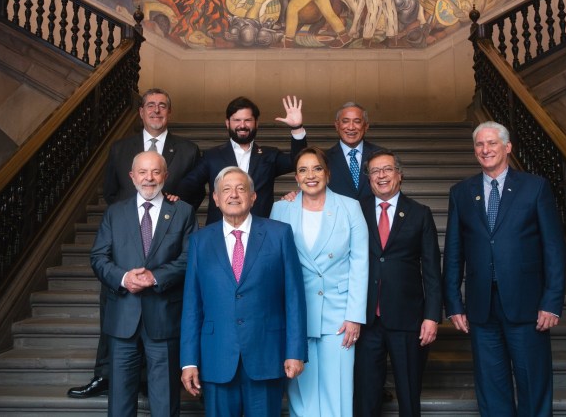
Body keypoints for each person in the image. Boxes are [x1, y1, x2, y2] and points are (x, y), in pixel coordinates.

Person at [68, 88, 202, 399]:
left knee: (161, 386)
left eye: (163, 106)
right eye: (150, 105)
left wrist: (165, 206)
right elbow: (111, 192)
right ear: (140, 111)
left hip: (164, 268)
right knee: (118, 359)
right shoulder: (120, 151)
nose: (156, 111)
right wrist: (129, 221)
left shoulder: (187, 150)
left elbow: (194, 195)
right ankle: (104, 375)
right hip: (125, 260)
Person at [443, 121, 566, 416]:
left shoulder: (535, 187)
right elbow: (454, 251)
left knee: (532, 384)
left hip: (527, 305)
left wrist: (552, 302)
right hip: (480, 307)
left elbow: (553, 249)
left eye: (492, 143)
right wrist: (453, 304)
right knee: (490, 386)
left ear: (507, 147)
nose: (485, 150)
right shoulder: (461, 192)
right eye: (480, 145)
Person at [180, 167, 307, 417]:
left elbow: (294, 297)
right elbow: (192, 306)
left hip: (266, 354)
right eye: (226, 189)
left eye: (241, 189)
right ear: (215, 199)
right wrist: (189, 361)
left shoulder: (279, 234)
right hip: (217, 357)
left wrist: (295, 352)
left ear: (253, 197)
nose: (234, 195)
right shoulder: (200, 241)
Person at [90, 151, 198, 416]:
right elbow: (98, 257)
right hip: (123, 319)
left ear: (165, 175)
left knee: (164, 401)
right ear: (132, 176)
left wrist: (155, 276)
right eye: (143, 172)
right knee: (120, 402)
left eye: (155, 172)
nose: (149, 178)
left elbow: (191, 258)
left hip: (163, 318)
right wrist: (124, 278)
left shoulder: (183, 211)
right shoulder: (115, 213)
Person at [270, 146, 368, 416]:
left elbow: (360, 262)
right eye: (302, 170)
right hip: (297, 315)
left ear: (328, 173)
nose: (310, 175)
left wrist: (354, 316)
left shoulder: (349, 207)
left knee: (337, 390)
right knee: (302, 393)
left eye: (316, 169)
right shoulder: (281, 209)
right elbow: (274, 265)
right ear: (296, 178)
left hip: (339, 316)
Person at [354, 149, 442, 417]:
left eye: (387, 169)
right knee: (365, 395)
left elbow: (431, 270)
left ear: (399, 175)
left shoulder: (420, 213)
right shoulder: (354, 210)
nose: (381, 176)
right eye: (375, 171)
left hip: (408, 319)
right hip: (365, 318)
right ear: (369, 178)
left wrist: (432, 317)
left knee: (408, 393)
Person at [178, 95, 307, 225]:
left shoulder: (269, 155)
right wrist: (170, 200)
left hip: (261, 230)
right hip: (219, 231)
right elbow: (188, 186)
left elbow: (299, 161)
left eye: (248, 120)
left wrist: (297, 128)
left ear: (256, 123)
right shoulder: (212, 156)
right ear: (228, 123)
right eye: (237, 120)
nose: (242, 125)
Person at [325, 102, 383, 201]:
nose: (351, 127)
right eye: (345, 121)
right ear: (337, 125)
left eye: (357, 121)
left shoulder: (381, 155)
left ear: (366, 126)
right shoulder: (324, 159)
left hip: (372, 215)